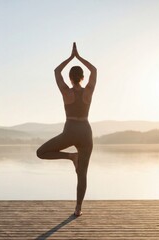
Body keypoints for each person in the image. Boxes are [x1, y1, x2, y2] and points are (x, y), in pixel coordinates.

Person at [36, 42, 97, 217]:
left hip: (70, 130)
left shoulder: (65, 91)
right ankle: (78, 208)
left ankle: (71, 156)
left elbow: (56, 71)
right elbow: (95, 70)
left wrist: (71, 57)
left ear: (70, 78)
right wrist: (79, 57)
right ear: (83, 77)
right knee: (83, 173)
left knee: (41, 152)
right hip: (85, 131)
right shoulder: (89, 91)